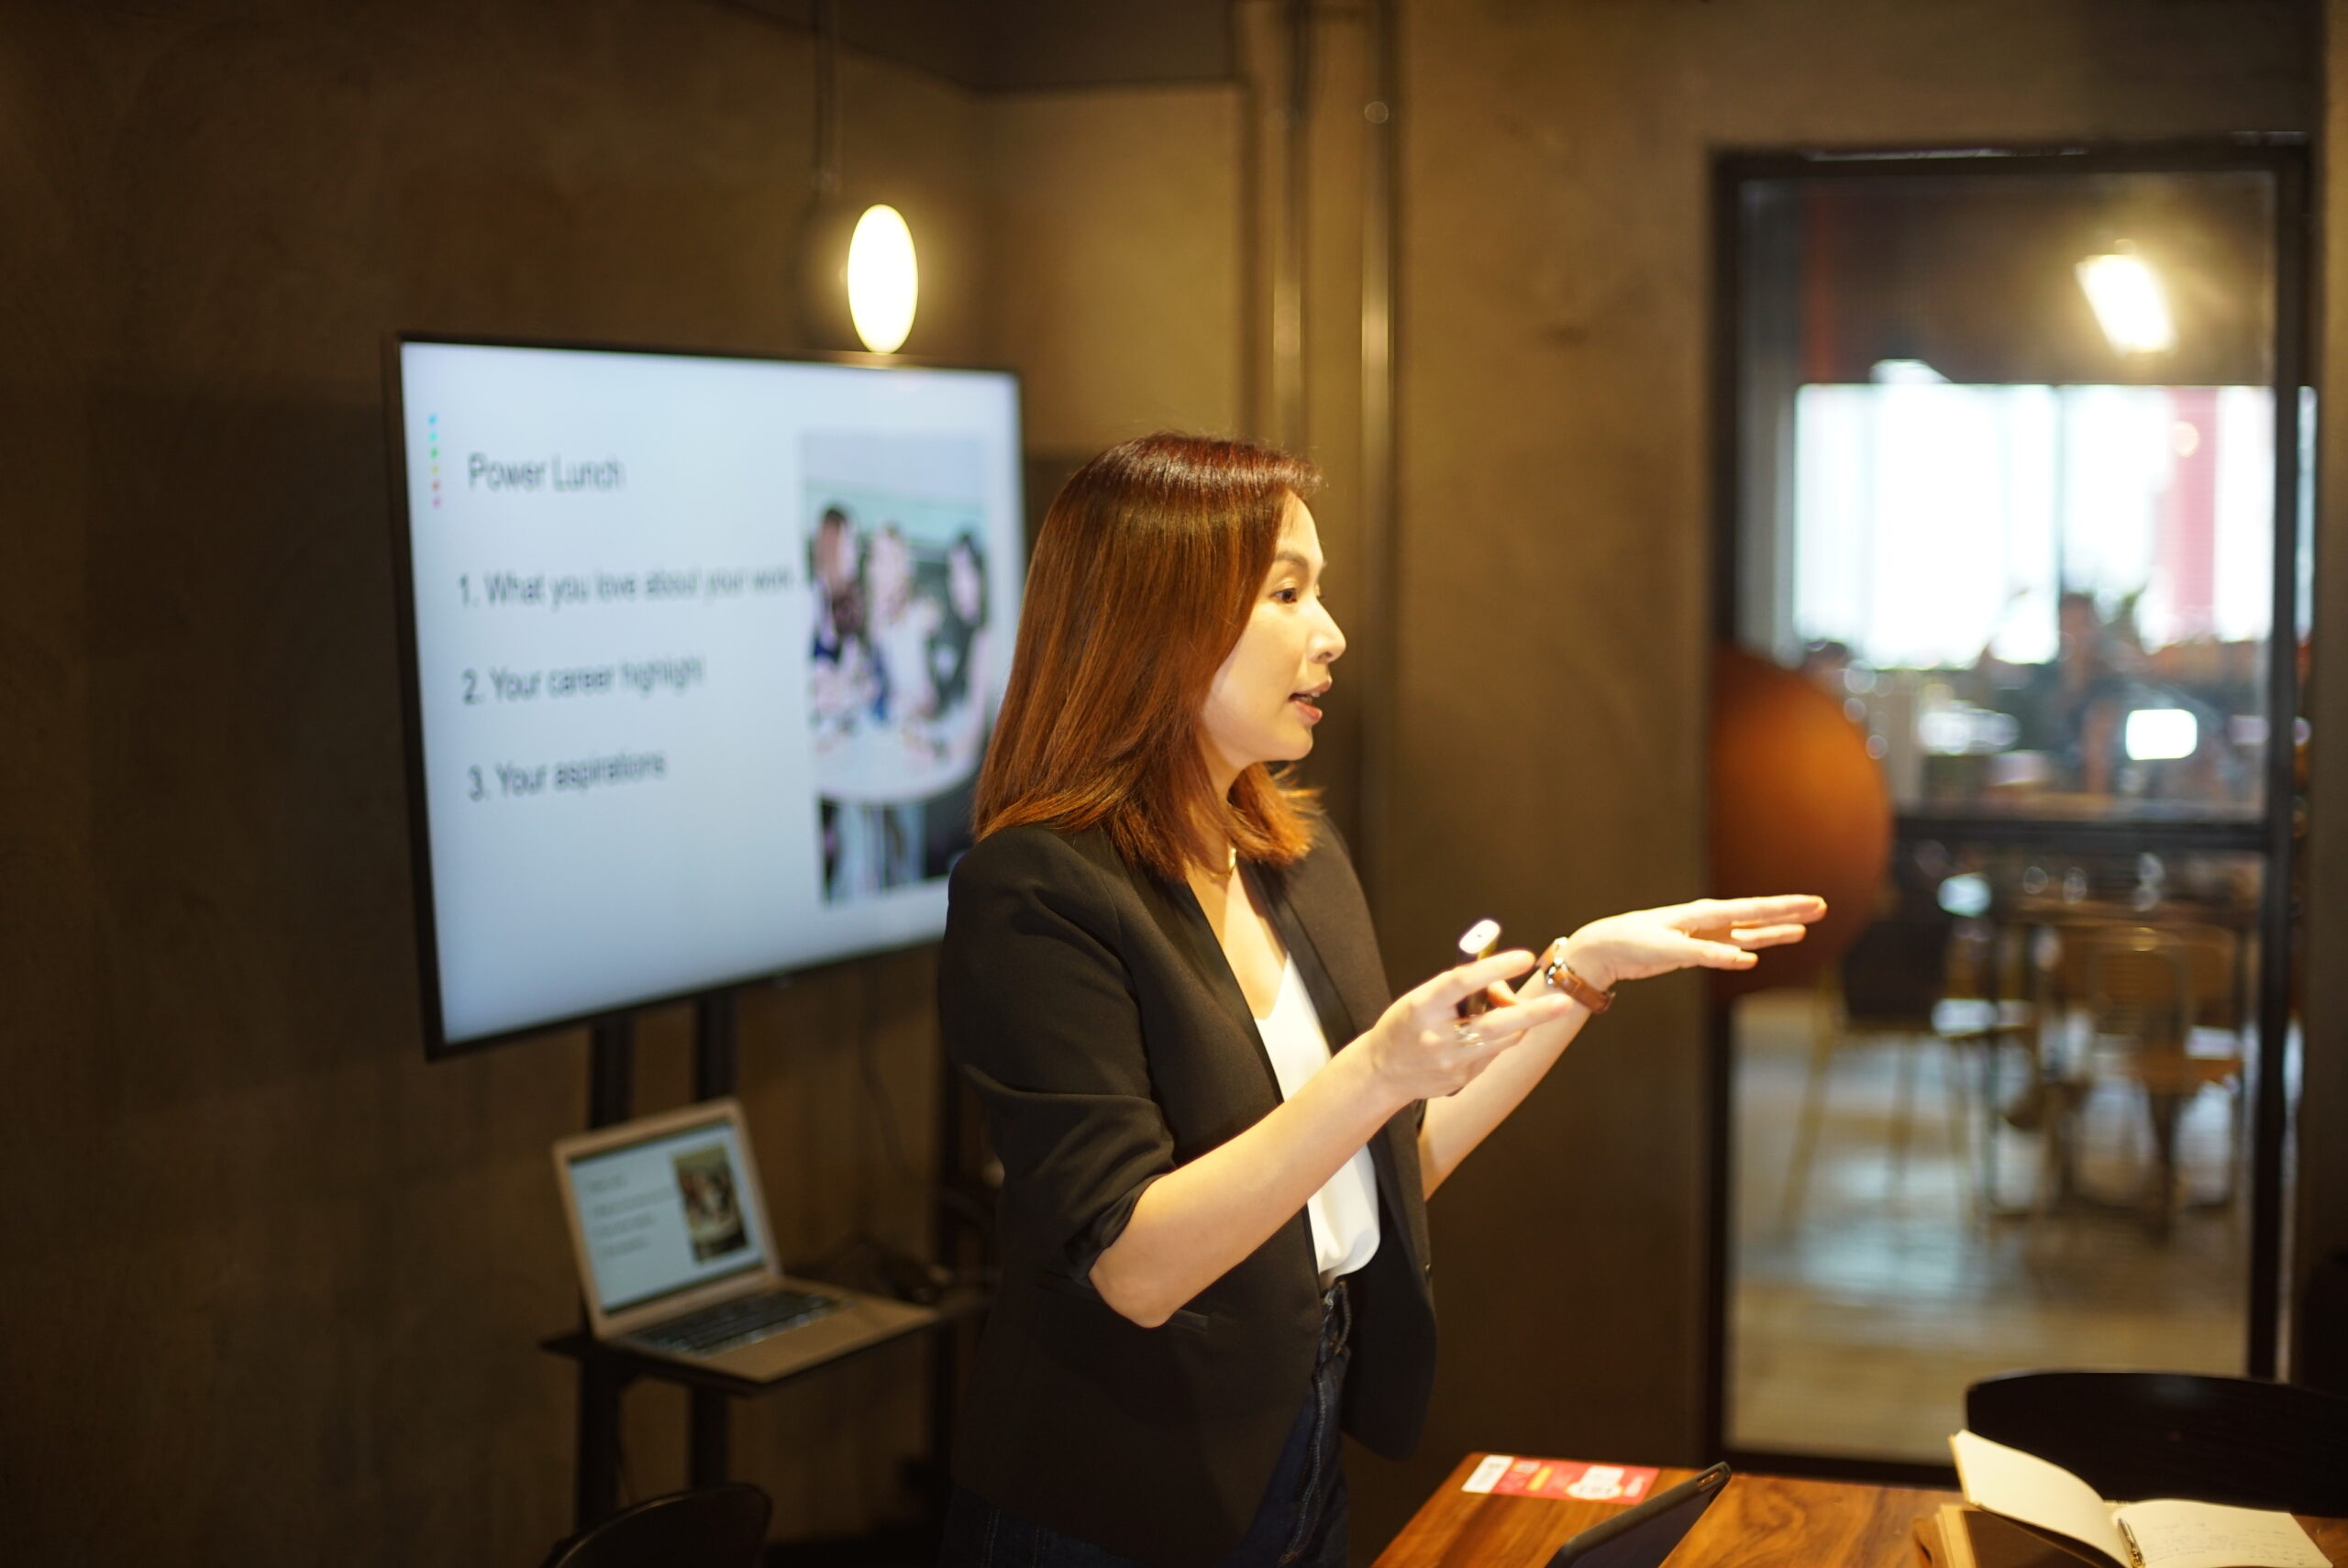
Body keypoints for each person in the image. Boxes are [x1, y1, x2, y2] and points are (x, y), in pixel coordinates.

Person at [936, 434, 1823, 1568]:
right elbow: (1135, 1267)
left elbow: (1390, 1172)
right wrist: (1377, 1070)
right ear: (1160, 618)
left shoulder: (1292, 857)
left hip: (1295, 1445)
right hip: (1108, 1503)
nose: (1331, 633)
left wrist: (1579, 972)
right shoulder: (1037, 891)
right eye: (1288, 593)